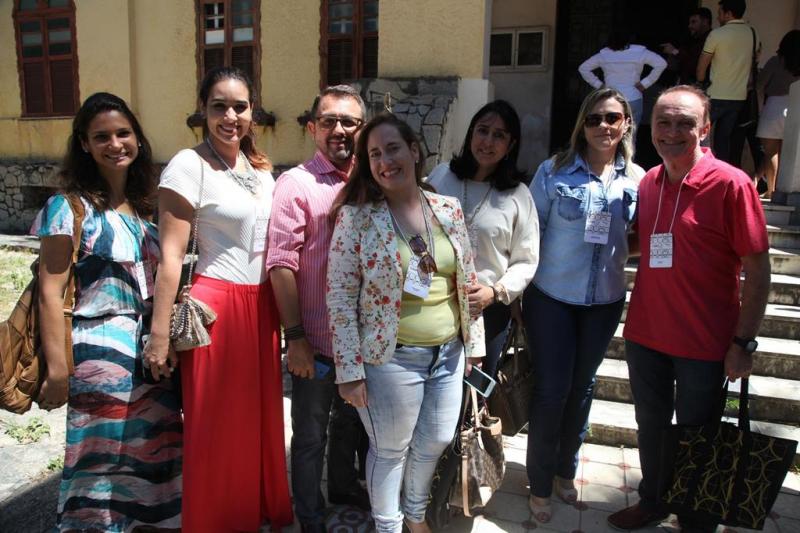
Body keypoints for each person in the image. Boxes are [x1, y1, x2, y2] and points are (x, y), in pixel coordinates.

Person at [608, 85, 770, 532]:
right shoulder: (649, 182)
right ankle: (653, 501)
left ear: (706, 129)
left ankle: (696, 519)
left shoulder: (731, 184)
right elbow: (646, 243)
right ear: (651, 128)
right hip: (646, 334)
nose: (672, 132)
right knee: (651, 425)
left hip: (705, 342)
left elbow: (759, 271)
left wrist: (744, 343)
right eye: (663, 122)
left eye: (685, 123)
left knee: (699, 435)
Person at [146, 66, 292, 532]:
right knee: (216, 425)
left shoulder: (261, 169)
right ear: (203, 110)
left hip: (263, 306)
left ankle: (255, 507)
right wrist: (159, 334)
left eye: (240, 106)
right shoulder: (188, 166)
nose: (230, 116)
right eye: (219, 106)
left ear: (253, 111)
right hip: (218, 310)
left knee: (258, 418)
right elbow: (171, 255)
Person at [328, 113, 486, 533]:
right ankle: (389, 526)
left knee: (435, 439)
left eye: (393, 149)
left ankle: (416, 516)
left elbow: (467, 281)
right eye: (374, 154)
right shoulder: (356, 218)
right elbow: (340, 298)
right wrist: (349, 371)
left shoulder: (448, 209)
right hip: (390, 360)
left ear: (414, 151)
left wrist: (474, 346)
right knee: (389, 450)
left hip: (449, 354)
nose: (385, 161)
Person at [34, 92, 182, 531]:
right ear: (84, 144)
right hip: (98, 354)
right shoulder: (68, 208)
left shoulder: (145, 207)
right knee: (101, 457)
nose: (115, 144)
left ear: (137, 138)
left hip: (150, 356)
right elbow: (50, 292)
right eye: (101, 136)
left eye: (123, 133)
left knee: (153, 451)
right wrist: (58, 370)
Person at [524, 88, 644, 523]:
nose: (603, 126)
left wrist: (615, 255)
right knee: (552, 390)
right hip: (552, 298)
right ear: (582, 124)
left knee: (583, 388)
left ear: (625, 124)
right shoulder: (553, 171)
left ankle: (564, 470)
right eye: (594, 119)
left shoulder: (638, 179)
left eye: (612, 118)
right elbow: (530, 232)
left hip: (604, 302)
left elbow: (638, 237)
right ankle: (539, 483)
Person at [266, 85, 370, 532]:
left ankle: (344, 489)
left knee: (352, 427)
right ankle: (309, 514)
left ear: (363, 128)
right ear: (312, 128)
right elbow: (280, 265)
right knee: (310, 436)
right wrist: (296, 339)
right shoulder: (297, 184)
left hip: (362, 343)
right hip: (316, 341)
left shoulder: (371, 178)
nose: (339, 130)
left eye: (349, 122)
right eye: (329, 121)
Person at [427, 100, 539, 379]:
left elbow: (526, 260)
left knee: (474, 389)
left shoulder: (518, 195)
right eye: (482, 130)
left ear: (511, 145)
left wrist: (496, 292)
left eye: (499, 135)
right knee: (433, 384)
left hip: (487, 310)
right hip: (434, 301)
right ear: (471, 133)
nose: (488, 141)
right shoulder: (442, 177)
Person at [696, 0, 757, 165]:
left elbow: (702, 64)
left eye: (720, 12)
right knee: (724, 140)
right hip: (738, 97)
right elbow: (755, 60)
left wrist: (700, 83)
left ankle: (702, 169)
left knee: (701, 136)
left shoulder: (717, 34)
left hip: (715, 93)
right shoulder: (752, 33)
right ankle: (721, 172)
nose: (718, 16)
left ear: (728, 13)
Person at [578, 30, 667, 127]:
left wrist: (599, 85)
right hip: (633, 96)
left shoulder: (604, 54)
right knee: (631, 131)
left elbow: (583, 68)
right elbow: (661, 63)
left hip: (611, 97)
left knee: (612, 130)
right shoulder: (640, 52)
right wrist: (645, 83)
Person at [756, 30, 800, 198]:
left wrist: (759, 109)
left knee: (771, 152)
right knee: (789, 153)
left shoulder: (776, 61)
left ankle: (771, 191)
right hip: (795, 107)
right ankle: (784, 190)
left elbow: (760, 85)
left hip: (774, 106)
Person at [660, 7, 713, 85]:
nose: (689, 26)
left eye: (694, 22)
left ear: (705, 22)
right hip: (685, 85)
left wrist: (674, 51)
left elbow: (695, 64)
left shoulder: (711, 39)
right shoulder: (691, 38)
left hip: (699, 87)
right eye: (689, 23)